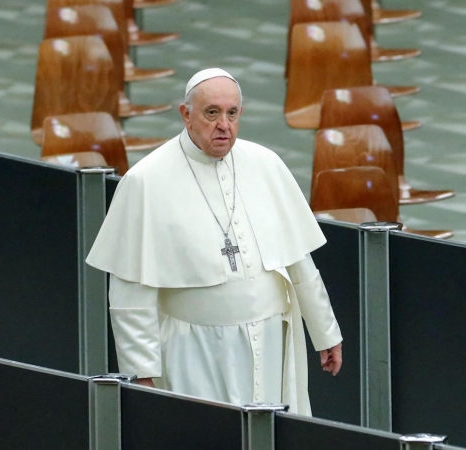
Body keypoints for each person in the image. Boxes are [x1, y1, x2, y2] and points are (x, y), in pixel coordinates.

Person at [86, 68, 342, 415]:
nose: (224, 125)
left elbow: (299, 261)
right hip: (196, 352)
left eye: (232, 113)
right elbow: (131, 293)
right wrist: (142, 373)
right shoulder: (146, 181)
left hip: (268, 344)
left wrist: (325, 332)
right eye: (212, 113)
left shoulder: (265, 165)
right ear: (186, 115)